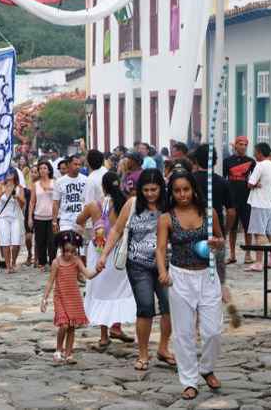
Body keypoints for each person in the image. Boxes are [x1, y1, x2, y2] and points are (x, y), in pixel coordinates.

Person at [156, 171, 224, 400]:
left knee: (212, 330)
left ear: (194, 189)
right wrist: (163, 272)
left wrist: (216, 243)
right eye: (177, 190)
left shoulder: (209, 213)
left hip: (208, 276)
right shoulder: (166, 218)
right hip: (180, 277)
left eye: (186, 189)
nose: (182, 194)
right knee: (183, 333)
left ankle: (206, 368)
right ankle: (189, 380)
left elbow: (220, 240)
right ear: (172, 193)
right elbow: (161, 248)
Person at [98, 169, 173, 371]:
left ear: (161, 188)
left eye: (154, 189)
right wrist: (104, 254)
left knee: (169, 305)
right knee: (145, 306)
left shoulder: (168, 205)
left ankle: (164, 348)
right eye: (146, 190)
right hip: (137, 263)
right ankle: (143, 353)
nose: (150, 194)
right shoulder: (132, 204)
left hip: (165, 263)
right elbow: (116, 230)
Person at [77, 172, 135, 350]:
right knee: (117, 290)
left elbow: (78, 221)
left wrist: (93, 230)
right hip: (119, 251)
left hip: (99, 251)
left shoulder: (94, 205)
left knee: (101, 291)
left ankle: (103, 335)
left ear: (103, 187)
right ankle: (116, 327)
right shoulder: (125, 204)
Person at [40, 230, 99, 364]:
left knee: (72, 327)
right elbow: (50, 281)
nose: (69, 254)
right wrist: (44, 299)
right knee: (64, 325)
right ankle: (58, 350)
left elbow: (88, 275)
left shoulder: (77, 261)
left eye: (73, 251)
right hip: (60, 297)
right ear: (61, 248)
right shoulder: (56, 262)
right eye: (66, 251)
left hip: (73, 297)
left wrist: (98, 269)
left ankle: (69, 353)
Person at [245, 143, 271, 272]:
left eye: (255, 152)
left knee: (259, 233)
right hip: (270, 203)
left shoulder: (260, 165)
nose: (254, 154)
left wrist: (255, 183)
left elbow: (250, 183)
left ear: (259, 152)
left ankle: (259, 262)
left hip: (259, 203)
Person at [223, 136, 255, 264]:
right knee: (233, 227)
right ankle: (232, 254)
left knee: (248, 227)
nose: (243, 147)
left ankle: (248, 254)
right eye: (240, 144)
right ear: (235, 145)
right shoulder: (227, 161)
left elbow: (256, 177)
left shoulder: (251, 161)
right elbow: (223, 178)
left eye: (245, 144)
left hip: (246, 197)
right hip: (232, 197)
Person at [0, 169, 26, 274]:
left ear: (15, 175)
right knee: (5, 241)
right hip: (3, 217)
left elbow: (23, 204)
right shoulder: (1, 186)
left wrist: (16, 196)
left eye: (11, 173)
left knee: (16, 242)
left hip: (15, 217)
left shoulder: (19, 187)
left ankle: (13, 262)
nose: (9, 175)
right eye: (7, 173)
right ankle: (8, 266)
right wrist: (2, 191)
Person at [29, 160, 56, 269]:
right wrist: (29, 218)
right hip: (39, 216)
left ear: (49, 170)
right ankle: (42, 262)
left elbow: (58, 199)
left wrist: (50, 189)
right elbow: (32, 202)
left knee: (52, 241)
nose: (42, 170)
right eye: (40, 168)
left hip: (52, 216)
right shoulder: (35, 185)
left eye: (44, 168)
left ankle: (52, 262)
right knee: (40, 241)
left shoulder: (55, 183)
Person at [52, 155, 87, 236]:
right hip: (66, 221)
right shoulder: (59, 182)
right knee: (67, 245)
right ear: (68, 165)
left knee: (79, 247)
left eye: (79, 164)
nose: (78, 167)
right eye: (75, 164)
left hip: (81, 220)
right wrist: (54, 221)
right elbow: (56, 203)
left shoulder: (86, 180)